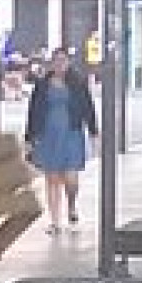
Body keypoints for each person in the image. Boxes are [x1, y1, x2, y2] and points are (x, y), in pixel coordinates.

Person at [23, 46, 97, 235]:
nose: (59, 64)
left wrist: (93, 131)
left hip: (71, 133)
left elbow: (88, 107)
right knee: (52, 177)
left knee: (71, 177)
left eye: (63, 60)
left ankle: (71, 204)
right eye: (56, 60)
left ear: (68, 62)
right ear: (51, 63)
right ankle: (55, 221)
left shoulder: (78, 83)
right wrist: (30, 138)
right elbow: (33, 111)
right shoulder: (42, 85)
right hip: (49, 135)